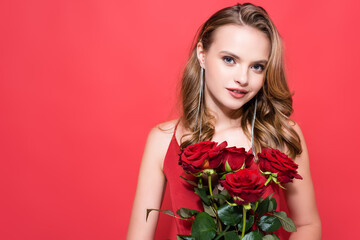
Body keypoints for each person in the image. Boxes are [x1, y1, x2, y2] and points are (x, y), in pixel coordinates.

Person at [127, 2, 321, 239]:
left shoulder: (282, 134)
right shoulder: (162, 140)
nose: (242, 78)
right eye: (229, 59)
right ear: (202, 54)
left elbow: (307, 225)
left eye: (257, 66)